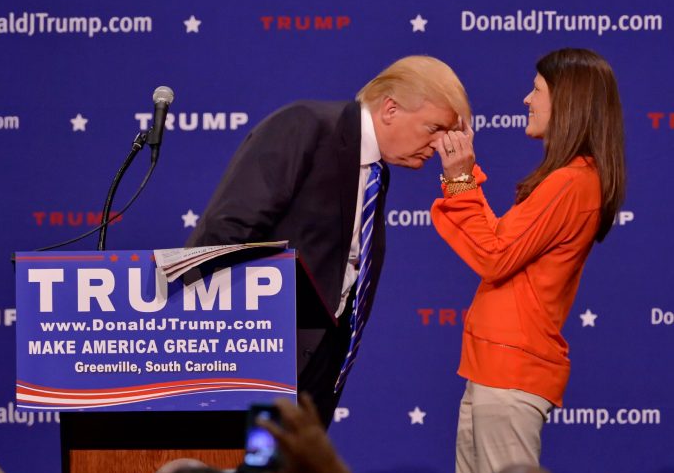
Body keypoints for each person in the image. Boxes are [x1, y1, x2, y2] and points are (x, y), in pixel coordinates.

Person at [187, 55, 471, 427]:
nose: (438, 146)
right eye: (433, 128)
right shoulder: (307, 127)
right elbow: (224, 234)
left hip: (318, 368)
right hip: (257, 360)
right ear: (390, 109)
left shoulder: (375, 171)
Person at [430, 48, 626, 473]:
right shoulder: (571, 179)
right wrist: (461, 177)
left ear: (568, 102)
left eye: (537, 90)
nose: (526, 99)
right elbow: (500, 245)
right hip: (493, 369)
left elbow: (493, 257)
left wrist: (460, 179)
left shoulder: (572, 182)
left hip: (510, 373)